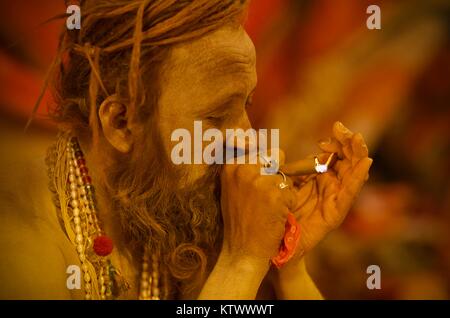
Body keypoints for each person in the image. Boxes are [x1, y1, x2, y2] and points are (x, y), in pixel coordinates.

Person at [0, 0, 372, 299]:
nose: (249, 142)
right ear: (121, 122)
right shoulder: (22, 256)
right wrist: (241, 261)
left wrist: (288, 266)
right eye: (215, 116)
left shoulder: (163, 211)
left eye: (246, 105)